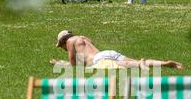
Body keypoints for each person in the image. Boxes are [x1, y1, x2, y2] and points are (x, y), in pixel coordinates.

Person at [50, 30, 183, 70]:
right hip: (107, 53)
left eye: (60, 46)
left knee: (123, 66)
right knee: (134, 62)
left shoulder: (69, 42)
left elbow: (74, 65)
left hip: (99, 60)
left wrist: (61, 64)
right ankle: (166, 63)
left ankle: (139, 64)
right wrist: (60, 63)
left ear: (62, 41)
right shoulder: (83, 37)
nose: (62, 48)